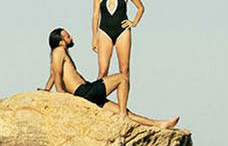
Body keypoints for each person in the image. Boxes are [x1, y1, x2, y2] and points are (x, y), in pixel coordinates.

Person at [43, 28, 180, 129]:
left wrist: (46, 90)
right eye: (67, 36)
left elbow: (53, 75)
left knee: (126, 111)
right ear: (61, 42)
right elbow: (57, 74)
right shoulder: (59, 51)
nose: (71, 37)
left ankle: (160, 124)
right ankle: (123, 117)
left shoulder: (58, 54)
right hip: (84, 91)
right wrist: (61, 95)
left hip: (86, 93)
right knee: (122, 78)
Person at [90, 0, 145, 111]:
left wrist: (133, 22)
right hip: (104, 31)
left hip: (122, 31)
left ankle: (122, 107)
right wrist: (94, 36)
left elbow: (141, 7)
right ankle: (96, 102)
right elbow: (96, 14)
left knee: (124, 69)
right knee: (102, 70)